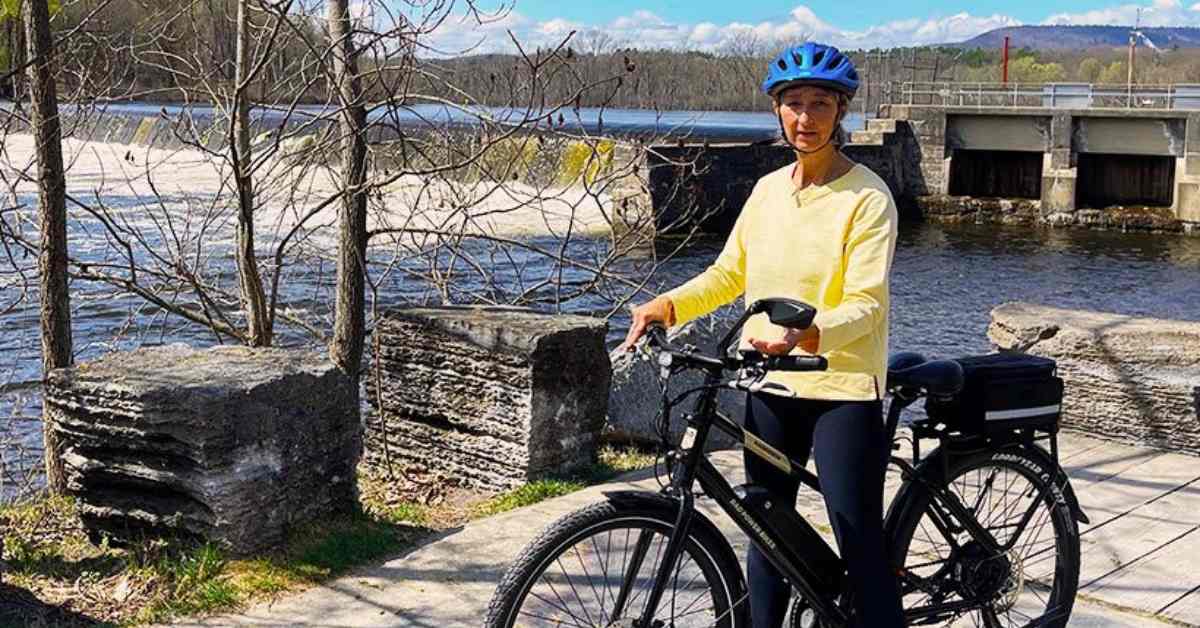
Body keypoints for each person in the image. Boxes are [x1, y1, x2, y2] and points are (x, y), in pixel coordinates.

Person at [619, 42, 905, 628]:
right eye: (793, 103)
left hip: (840, 389)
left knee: (859, 544)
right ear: (777, 110)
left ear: (840, 110)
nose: (805, 118)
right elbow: (730, 274)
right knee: (765, 533)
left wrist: (810, 335)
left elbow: (866, 305)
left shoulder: (869, 198)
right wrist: (666, 305)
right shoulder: (769, 191)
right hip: (767, 381)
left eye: (820, 104)